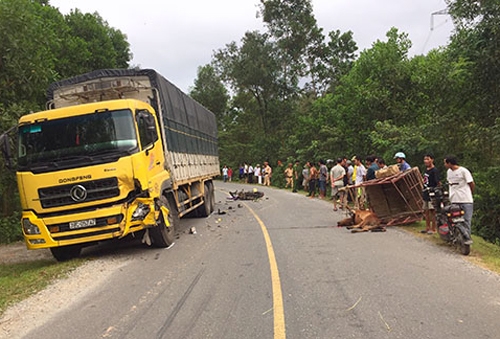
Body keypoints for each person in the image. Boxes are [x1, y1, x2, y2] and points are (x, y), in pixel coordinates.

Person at [445, 155, 474, 244]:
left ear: (450, 163)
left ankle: (467, 239)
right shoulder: (449, 172)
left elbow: (471, 183)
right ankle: (455, 237)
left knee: (466, 220)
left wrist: (469, 193)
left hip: (466, 199)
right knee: (454, 220)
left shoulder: (463, 171)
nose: (444, 165)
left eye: (445, 162)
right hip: (454, 199)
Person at [421, 154, 440, 234]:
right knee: (426, 211)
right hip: (425, 192)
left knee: (432, 211)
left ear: (432, 160)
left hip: (432, 193)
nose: (426, 161)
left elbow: (437, 182)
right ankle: (427, 227)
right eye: (425, 159)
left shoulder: (434, 170)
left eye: (428, 159)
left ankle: (433, 228)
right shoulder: (427, 170)